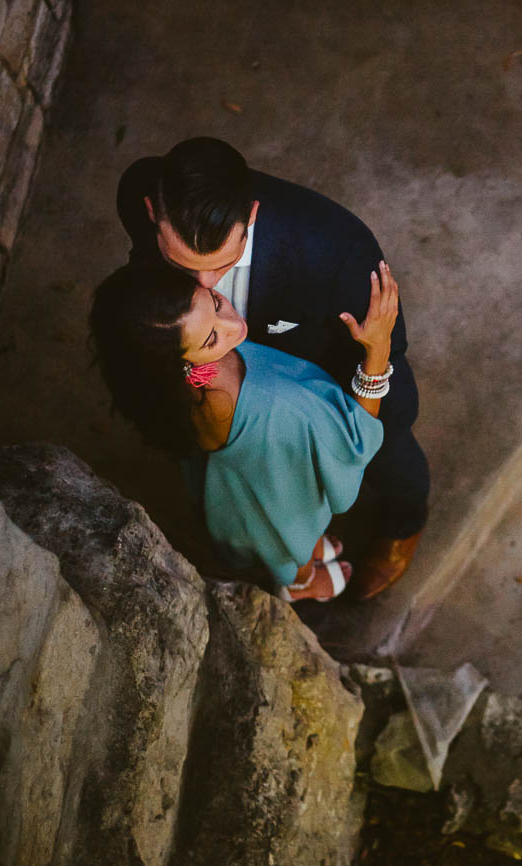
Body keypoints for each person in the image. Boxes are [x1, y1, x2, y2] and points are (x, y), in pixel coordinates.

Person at [115, 136, 428, 599]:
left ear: (252, 218)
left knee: (391, 450)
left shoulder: (336, 249)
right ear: (151, 213)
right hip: (230, 406)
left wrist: (361, 405)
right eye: (180, 264)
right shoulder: (137, 190)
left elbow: (387, 345)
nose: (203, 287)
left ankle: (404, 523)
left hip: (310, 386)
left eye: (221, 266)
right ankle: (299, 552)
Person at [89, 258, 400, 601]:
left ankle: (306, 551)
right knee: (288, 542)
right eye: (211, 339)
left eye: (217, 303)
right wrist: (379, 348)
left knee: (284, 536)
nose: (234, 326)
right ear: (180, 363)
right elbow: (353, 443)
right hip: (279, 495)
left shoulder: (181, 384)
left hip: (238, 491)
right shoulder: (269, 405)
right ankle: (300, 584)